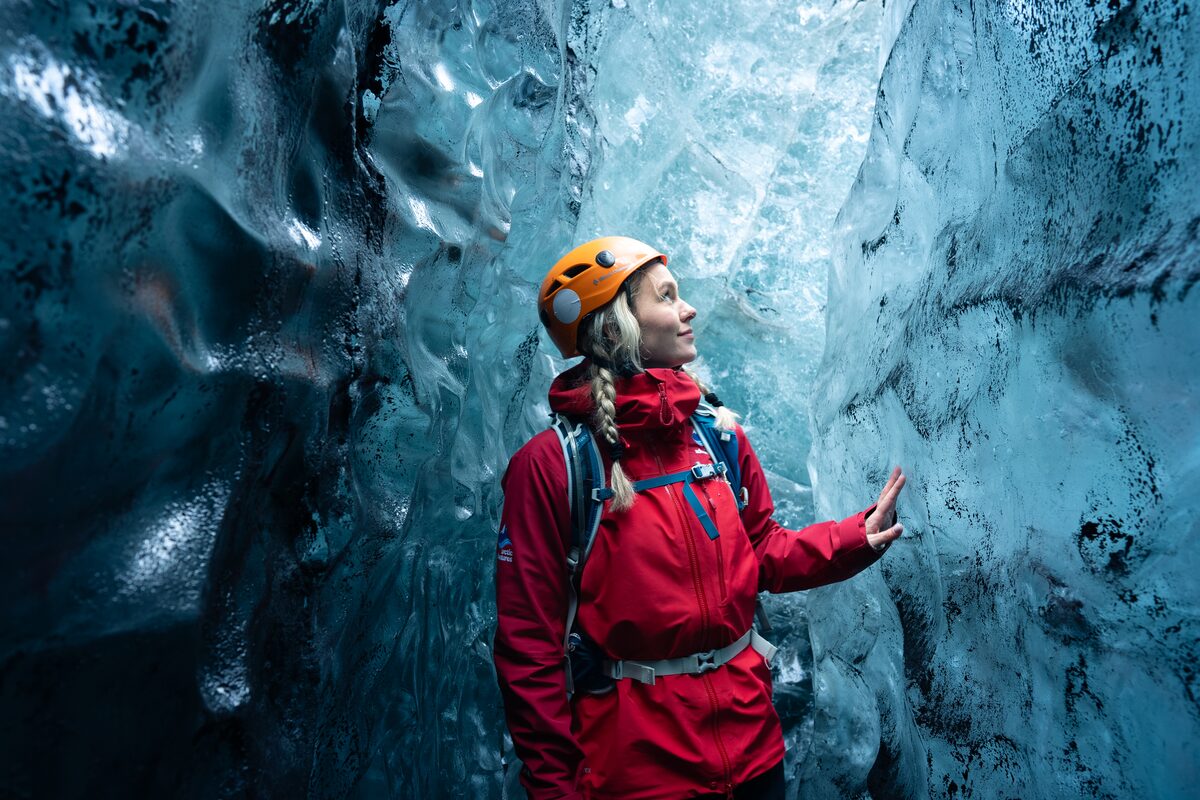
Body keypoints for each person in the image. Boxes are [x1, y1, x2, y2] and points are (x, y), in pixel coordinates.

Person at [493, 236, 905, 800]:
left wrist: (856, 537)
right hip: (639, 776)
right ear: (617, 328)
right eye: (666, 297)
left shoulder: (715, 436)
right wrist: (556, 789)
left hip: (754, 754)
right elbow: (529, 648)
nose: (687, 311)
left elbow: (762, 552)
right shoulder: (551, 466)